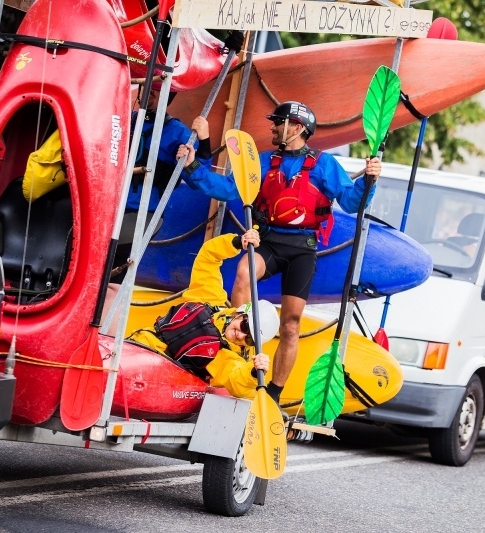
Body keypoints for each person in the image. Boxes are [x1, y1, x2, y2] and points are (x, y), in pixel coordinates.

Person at [177, 101, 382, 404]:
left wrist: (369, 179)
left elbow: (353, 203)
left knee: (290, 325)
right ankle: (237, 351)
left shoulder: (324, 165)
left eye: (278, 122)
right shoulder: (261, 161)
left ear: (296, 127)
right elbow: (226, 189)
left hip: (303, 249)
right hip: (269, 241)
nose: (272, 127)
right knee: (245, 273)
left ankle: (274, 392)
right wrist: (193, 166)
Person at [103, 229, 280, 399]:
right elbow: (208, 257)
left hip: (162, 377)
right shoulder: (209, 297)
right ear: (239, 314)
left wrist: (252, 373)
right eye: (244, 326)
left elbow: (236, 379)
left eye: (249, 339)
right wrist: (236, 242)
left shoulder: (226, 356)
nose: (241, 335)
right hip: (140, 347)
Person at [111, 87, 239, 282]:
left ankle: (108, 305)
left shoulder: (178, 133)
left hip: (142, 213)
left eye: (157, 89)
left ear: (168, 97)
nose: (150, 92)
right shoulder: (123, 120)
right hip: (108, 207)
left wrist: (204, 141)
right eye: (148, 87)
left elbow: (198, 178)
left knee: (112, 272)